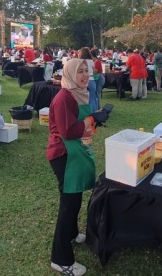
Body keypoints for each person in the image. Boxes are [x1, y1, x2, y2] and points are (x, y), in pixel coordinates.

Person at [46, 59, 110, 276]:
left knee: (74, 199)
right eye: (79, 71)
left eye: (86, 71)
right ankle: (60, 258)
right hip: (64, 154)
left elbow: (80, 122)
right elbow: (68, 131)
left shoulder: (78, 92)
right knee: (69, 203)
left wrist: (95, 119)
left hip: (75, 150)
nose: (84, 75)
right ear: (70, 73)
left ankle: (72, 233)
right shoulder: (65, 97)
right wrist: (93, 117)